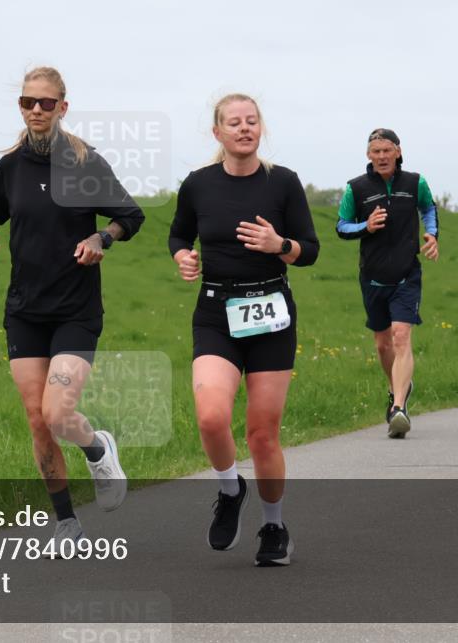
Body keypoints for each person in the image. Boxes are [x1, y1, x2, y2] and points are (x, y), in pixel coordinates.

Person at [0, 66, 145, 553]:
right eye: (28, 102)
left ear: (63, 107)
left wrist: (100, 237)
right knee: (35, 418)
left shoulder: (85, 163)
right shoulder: (10, 168)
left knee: (56, 411)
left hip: (75, 308)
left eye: (47, 103)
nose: (36, 110)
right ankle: (66, 521)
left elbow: (130, 215)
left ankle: (96, 447)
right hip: (25, 308)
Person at [168, 93, 319, 566]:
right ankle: (230, 489)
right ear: (218, 133)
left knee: (262, 434)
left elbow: (310, 249)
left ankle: (274, 526)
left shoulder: (284, 183)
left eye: (252, 121)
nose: (244, 128)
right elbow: (178, 233)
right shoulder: (198, 185)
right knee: (211, 416)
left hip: (271, 311)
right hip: (216, 310)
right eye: (234, 122)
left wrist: (281, 244)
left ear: (261, 129)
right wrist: (183, 256)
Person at [336, 128, 439, 438]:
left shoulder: (415, 182)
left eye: (386, 150)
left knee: (401, 336)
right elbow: (342, 227)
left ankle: (398, 408)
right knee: (383, 344)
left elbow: (429, 208)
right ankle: (397, 387)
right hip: (372, 276)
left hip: (407, 273)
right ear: (369, 155)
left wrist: (432, 234)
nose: (381, 156)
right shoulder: (355, 188)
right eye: (375, 151)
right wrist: (365, 226)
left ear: (398, 151)